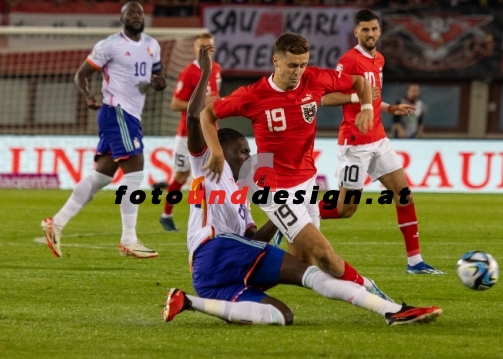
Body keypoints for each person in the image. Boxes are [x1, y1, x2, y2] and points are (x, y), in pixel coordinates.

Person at [162, 44, 443, 326]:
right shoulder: (209, 166)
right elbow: (197, 117)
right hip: (214, 251)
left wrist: (284, 216)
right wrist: (205, 73)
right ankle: (390, 308)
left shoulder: (243, 193)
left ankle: (189, 302)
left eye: (302, 64)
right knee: (321, 262)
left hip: (225, 269)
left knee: (284, 313)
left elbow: (253, 241)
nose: (250, 157)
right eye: (243, 151)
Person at [199, 32, 395, 297]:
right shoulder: (253, 95)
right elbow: (207, 114)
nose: (298, 72)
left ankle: (247, 279)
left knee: (307, 266)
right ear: (276, 61)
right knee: (325, 255)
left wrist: (367, 109)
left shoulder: (315, 79)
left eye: (303, 64)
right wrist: (216, 152)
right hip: (273, 188)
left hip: (306, 181)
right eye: (292, 65)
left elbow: (360, 82)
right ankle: (374, 294)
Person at [320, 9, 443, 274]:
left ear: (379, 30)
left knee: (404, 195)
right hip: (355, 143)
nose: (370, 33)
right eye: (365, 29)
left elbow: (373, 98)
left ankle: (415, 262)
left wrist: (388, 108)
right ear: (356, 32)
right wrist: (357, 97)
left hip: (379, 139)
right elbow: (325, 98)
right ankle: (295, 218)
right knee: (345, 209)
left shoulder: (379, 59)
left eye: (374, 29)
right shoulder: (349, 61)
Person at [40, 1, 166, 259]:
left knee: (102, 177)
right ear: (122, 18)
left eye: (139, 13)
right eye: (130, 13)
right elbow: (81, 74)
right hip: (116, 112)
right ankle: (129, 239)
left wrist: (159, 83)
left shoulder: (153, 45)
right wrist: (87, 95)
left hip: (130, 115)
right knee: (136, 169)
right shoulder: (109, 45)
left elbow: (158, 79)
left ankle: (57, 223)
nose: (136, 16)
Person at [159, 33, 222, 232]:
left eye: (209, 47)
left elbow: (214, 98)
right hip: (188, 133)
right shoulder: (188, 73)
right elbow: (175, 104)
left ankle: (208, 218)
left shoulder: (217, 69)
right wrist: (200, 103)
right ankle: (166, 215)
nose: (206, 51)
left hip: (211, 130)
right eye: (202, 47)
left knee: (212, 176)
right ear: (194, 49)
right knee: (181, 175)